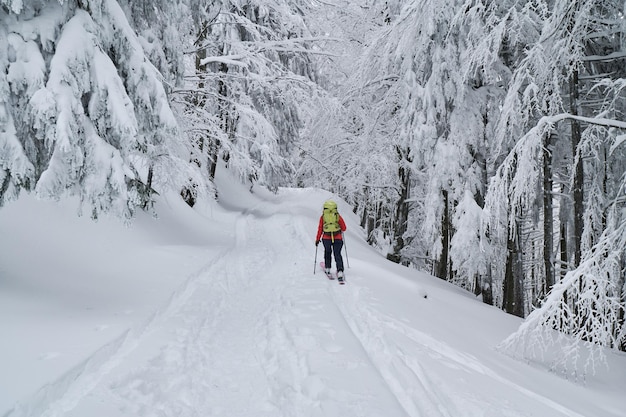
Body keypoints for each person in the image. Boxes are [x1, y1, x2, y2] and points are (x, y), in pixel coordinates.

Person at [315, 200, 347, 279]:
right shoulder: (337, 216)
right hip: (338, 238)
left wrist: (317, 239)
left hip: (326, 238)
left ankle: (328, 269)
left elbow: (320, 229)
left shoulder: (323, 217)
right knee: (337, 254)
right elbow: (344, 228)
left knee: (327, 252)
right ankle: (340, 271)